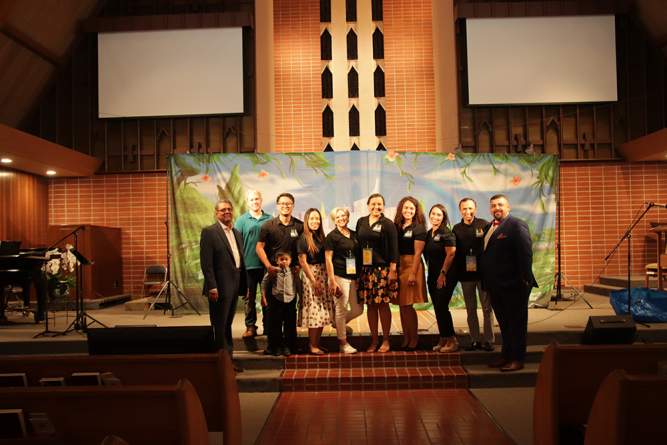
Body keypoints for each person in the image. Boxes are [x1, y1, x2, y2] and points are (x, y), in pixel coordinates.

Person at [482, 194, 538, 372]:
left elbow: (525, 253)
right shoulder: (488, 227)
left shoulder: (516, 225)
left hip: (514, 285)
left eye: (500, 205)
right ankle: (506, 355)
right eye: (493, 205)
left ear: (508, 207)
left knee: (517, 324)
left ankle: (517, 358)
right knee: (504, 323)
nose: (496, 208)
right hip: (496, 286)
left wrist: (524, 278)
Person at [200, 199, 247, 372]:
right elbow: (206, 262)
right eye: (222, 210)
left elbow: (240, 259)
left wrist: (244, 285)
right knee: (220, 325)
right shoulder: (209, 232)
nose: (226, 212)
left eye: (229, 209)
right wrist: (212, 286)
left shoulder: (236, 233)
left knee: (227, 324)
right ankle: (222, 364)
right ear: (216, 213)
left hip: (235, 282)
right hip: (219, 286)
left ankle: (228, 360)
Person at [256, 193, 303, 356]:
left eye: (289, 203)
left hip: (291, 275)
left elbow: (303, 250)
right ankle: (272, 345)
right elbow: (259, 248)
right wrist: (269, 266)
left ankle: (288, 345)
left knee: (290, 314)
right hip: (272, 274)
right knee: (271, 314)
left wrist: (298, 266)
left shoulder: (299, 226)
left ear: (293, 206)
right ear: (277, 206)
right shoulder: (268, 225)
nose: (285, 206)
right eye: (282, 203)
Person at [356, 193, 399, 353]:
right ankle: (374, 340)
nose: (376, 207)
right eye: (373, 204)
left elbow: (394, 248)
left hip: (382, 270)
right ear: (368, 205)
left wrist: (392, 270)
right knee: (371, 306)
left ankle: (386, 340)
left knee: (383, 305)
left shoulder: (387, 224)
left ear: (383, 206)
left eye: (379, 204)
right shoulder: (361, 222)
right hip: (365, 271)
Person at [452, 198, 495, 352]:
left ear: (475, 209)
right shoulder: (456, 229)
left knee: (487, 309)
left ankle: (489, 340)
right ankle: (475, 340)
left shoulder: (484, 225)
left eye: (470, 208)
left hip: (483, 274)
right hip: (465, 276)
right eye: (464, 209)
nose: (467, 211)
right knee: (470, 309)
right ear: (460, 210)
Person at [324, 206, 364, 354]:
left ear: (348, 216)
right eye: (337, 217)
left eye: (343, 215)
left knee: (358, 309)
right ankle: (343, 343)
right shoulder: (332, 236)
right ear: (334, 220)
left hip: (354, 276)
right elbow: (328, 260)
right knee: (341, 310)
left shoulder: (354, 234)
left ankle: (337, 323)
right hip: (339, 277)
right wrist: (332, 281)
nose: (341, 218)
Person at [234, 189, 272, 338]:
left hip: (266, 266)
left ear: (261, 200)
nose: (255, 202)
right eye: (251, 200)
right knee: (249, 299)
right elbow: (236, 244)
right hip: (248, 267)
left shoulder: (270, 219)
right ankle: (250, 326)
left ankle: (268, 327)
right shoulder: (241, 220)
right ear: (247, 202)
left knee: (267, 297)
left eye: (257, 199)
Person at [297, 208, 334, 355]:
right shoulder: (304, 238)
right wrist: (313, 280)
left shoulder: (321, 237)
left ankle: (317, 343)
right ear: (307, 220)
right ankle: (312, 345)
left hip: (323, 275)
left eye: (317, 219)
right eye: (312, 219)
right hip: (312, 276)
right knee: (314, 311)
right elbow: (302, 261)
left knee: (322, 311)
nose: (315, 221)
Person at [393, 196, 428, 351]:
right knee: (401, 305)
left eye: (411, 208)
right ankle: (406, 337)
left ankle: (414, 337)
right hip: (398, 266)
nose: (408, 211)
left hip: (411, 265)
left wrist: (413, 274)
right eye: (406, 208)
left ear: (416, 211)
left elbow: (418, 253)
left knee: (407, 305)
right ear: (401, 209)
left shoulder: (418, 227)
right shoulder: (397, 226)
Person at [423, 204, 458, 353]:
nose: (435, 217)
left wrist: (443, 274)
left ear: (443, 217)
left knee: (442, 307)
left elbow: (451, 254)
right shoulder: (430, 232)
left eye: (439, 215)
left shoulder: (446, 233)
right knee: (437, 307)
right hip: (433, 275)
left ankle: (452, 340)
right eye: (433, 214)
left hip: (446, 275)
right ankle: (443, 338)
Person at [260, 250, 298, 357]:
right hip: (277, 300)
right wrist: (263, 296)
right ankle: (276, 346)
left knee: (290, 324)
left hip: (290, 301)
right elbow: (264, 283)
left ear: (290, 261)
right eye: (281, 259)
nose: (284, 262)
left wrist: (300, 299)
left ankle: (287, 346)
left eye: (286, 259)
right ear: (276, 261)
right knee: (275, 324)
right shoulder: (274, 271)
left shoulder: (293, 273)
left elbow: (298, 285)